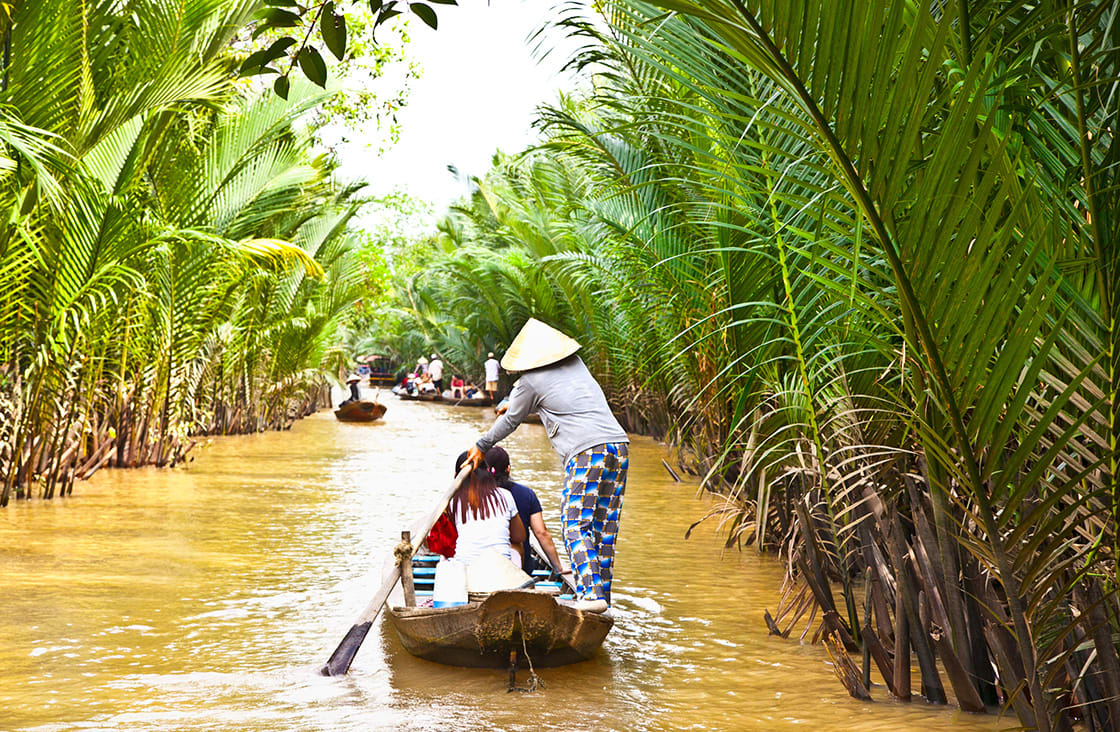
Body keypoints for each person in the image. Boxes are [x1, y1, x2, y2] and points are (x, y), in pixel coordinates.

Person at [465, 318, 629, 613]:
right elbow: (555, 396)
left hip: (587, 452)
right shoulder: (577, 364)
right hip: (618, 446)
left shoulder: (529, 382)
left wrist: (481, 445)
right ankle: (603, 596)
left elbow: (512, 419)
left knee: (574, 523)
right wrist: (513, 402)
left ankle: (590, 595)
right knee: (604, 528)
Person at [485, 446, 565, 577]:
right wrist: (557, 567)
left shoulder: (474, 495)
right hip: (520, 565)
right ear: (508, 469)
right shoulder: (526, 494)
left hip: (482, 562)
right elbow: (541, 532)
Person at [449, 451, 526, 567]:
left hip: (465, 565)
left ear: (456, 476)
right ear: (488, 473)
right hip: (500, 566)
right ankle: (519, 577)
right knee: (517, 545)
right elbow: (519, 536)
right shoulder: (505, 495)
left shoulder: (452, 501)